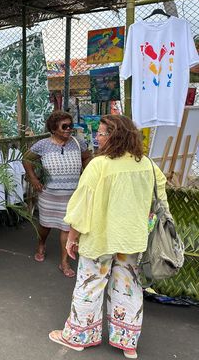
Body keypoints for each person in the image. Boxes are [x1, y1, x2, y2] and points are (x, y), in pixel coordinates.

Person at [49, 115, 169, 359]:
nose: (97, 137)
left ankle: (79, 338)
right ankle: (128, 342)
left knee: (90, 285)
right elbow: (160, 197)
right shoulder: (146, 163)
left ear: (115, 136)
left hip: (100, 238)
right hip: (131, 239)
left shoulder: (99, 165)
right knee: (129, 286)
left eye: (102, 133)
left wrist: (72, 238)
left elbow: (82, 206)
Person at [23, 111, 93, 277]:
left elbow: (86, 158)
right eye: (65, 126)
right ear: (54, 129)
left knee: (67, 228)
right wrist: (33, 179)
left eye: (71, 125)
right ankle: (41, 244)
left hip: (72, 194)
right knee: (45, 225)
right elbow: (26, 159)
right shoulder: (43, 145)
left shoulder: (78, 143)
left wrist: (85, 176)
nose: (69, 129)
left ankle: (64, 262)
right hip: (49, 194)